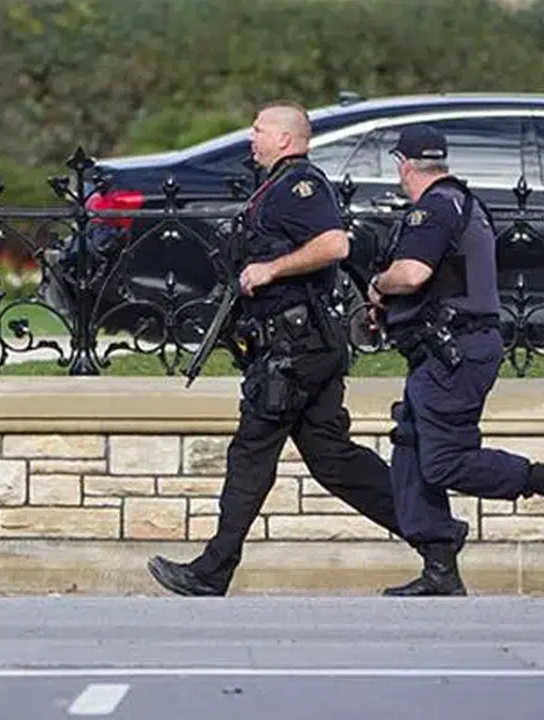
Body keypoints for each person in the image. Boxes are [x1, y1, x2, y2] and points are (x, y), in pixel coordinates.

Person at [146, 100, 406, 596]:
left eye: (259, 129)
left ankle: (211, 571)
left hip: (296, 351)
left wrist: (271, 269)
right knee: (334, 460)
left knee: (251, 453)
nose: (251, 136)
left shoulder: (299, 186)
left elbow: (334, 244)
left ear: (285, 139)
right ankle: (435, 539)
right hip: (299, 347)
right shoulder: (274, 187)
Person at [367, 124, 544, 597]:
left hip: (454, 353)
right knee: (409, 449)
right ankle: (439, 567)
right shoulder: (465, 203)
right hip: (446, 349)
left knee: (445, 461)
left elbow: (411, 274)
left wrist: (378, 285)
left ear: (404, 166)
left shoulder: (432, 210)